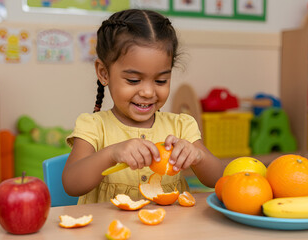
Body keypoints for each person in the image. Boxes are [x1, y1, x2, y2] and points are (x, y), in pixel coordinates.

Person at [63, 9, 223, 204]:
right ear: (104, 73)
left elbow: (218, 179)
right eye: (133, 80)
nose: (148, 92)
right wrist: (111, 154)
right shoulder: (93, 126)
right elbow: (71, 184)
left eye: (161, 80)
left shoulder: (182, 126)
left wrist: (198, 157)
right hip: (110, 230)